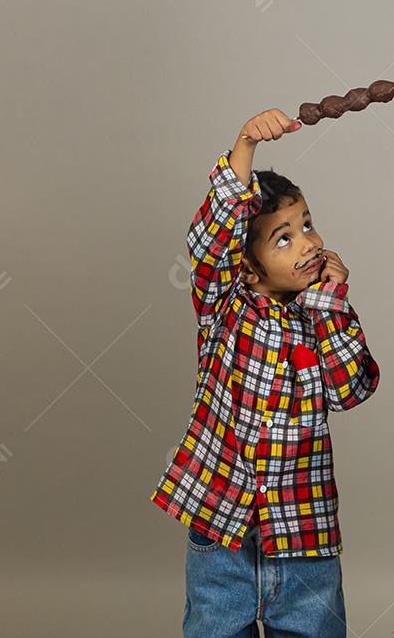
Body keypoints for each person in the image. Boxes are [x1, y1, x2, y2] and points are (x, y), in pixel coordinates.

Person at [152, 108, 380, 638]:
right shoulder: (224, 303)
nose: (306, 243)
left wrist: (331, 304)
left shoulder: (320, 314)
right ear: (248, 265)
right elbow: (209, 243)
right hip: (222, 524)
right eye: (283, 238)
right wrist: (245, 146)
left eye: (306, 225)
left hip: (303, 532)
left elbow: (353, 389)